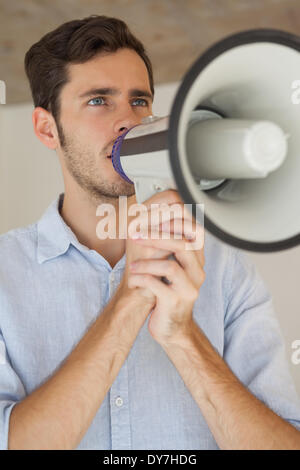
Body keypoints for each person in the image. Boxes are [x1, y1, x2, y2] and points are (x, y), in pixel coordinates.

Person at [0, 15, 300, 451]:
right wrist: (131, 298)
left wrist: (183, 336)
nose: (128, 121)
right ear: (48, 128)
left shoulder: (224, 271)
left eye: (139, 101)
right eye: (99, 101)